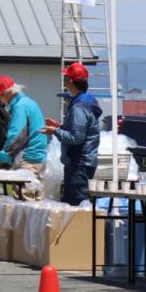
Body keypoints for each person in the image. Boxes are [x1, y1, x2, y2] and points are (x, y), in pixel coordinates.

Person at [42, 62, 102, 205]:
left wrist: (55, 131)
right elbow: (81, 130)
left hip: (79, 163)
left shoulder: (79, 107)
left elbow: (76, 137)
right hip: (83, 163)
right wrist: (61, 126)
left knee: (76, 206)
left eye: (65, 77)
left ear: (70, 81)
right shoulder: (87, 102)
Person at [0, 75, 48, 200]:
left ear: (10, 92)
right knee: (37, 200)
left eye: (1, 95)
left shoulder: (19, 106)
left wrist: (2, 156)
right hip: (38, 156)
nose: (0, 98)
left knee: (23, 200)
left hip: (28, 157)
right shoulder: (29, 102)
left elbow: (16, 135)